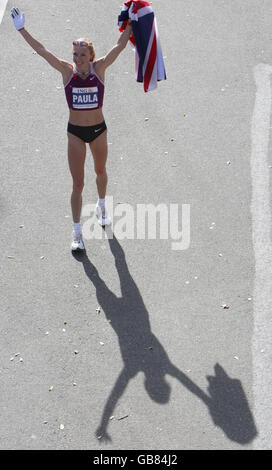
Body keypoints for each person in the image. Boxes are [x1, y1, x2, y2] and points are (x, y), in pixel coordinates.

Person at [10, 7, 132, 251]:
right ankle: (77, 233)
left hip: (98, 130)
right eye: (75, 54)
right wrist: (22, 29)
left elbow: (119, 46)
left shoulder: (100, 68)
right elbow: (43, 52)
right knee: (77, 184)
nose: (77, 59)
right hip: (75, 133)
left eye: (82, 54)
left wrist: (134, 20)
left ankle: (101, 205)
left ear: (90, 55)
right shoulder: (67, 71)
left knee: (100, 172)